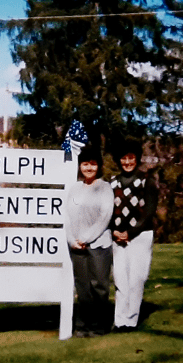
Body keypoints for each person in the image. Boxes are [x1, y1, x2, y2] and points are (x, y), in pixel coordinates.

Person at [65, 144, 114, 338]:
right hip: (77, 246)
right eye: (85, 164)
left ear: (99, 166)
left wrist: (86, 238)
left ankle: (100, 325)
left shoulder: (105, 188)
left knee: (99, 286)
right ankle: (83, 325)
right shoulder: (75, 188)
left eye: (93, 164)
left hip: (99, 244)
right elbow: (67, 216)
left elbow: (105, 216)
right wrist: (72, 240)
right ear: (80, 166)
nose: (89, 168)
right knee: (83, 287)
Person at [109, 138, 158, 332]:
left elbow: (149, 213)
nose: (127, 162)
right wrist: (114, 232)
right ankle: (120, 320)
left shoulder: (147, 181)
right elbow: (108, 212)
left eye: (131, 158)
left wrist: (130, 232)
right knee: (120, 279)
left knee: (136, 278)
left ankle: (131, 320)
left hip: (140, 236)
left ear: (136, 159)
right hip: (117, 237)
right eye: (123, 158)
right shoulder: (112, 183)